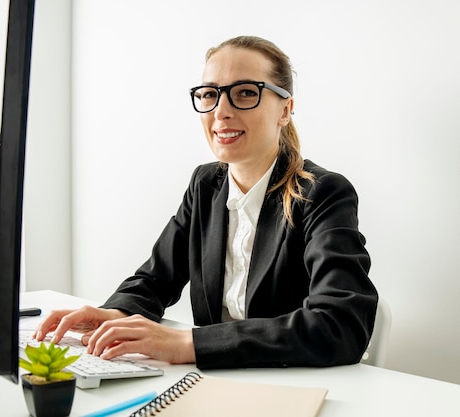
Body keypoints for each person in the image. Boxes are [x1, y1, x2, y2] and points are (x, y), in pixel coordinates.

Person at [34, 35, 378, 369]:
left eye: (245, 92)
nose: (221, 111)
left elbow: (341, 326)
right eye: (210, 94)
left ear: (285, 109)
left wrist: (189, 344)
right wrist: (115, 313)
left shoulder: (323, 192)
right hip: (213, 383)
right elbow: (156, 279)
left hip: (292, 386)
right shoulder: (206, 185)